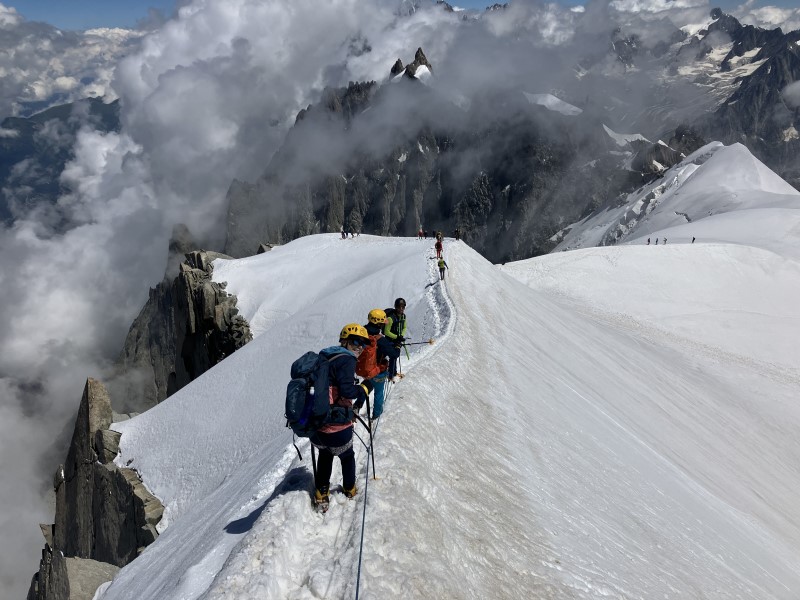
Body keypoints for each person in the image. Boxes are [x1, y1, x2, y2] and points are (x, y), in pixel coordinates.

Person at [310, 323, 373, 511]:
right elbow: (346, 391)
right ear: (344, 341)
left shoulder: (324, 356)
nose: (360, 347)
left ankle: (321, 492)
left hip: (317, 423)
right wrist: (363, 388)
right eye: (355, 342)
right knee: (347, 456)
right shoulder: (346, 359)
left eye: (363, 343)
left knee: (325, 454)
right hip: (337, 424)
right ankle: (349, 488)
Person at [356, 309, 391, 419]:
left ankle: (357, 406)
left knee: (367, 385)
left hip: (364, 369)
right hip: (378, 370)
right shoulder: (380, 339)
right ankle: (376, 415)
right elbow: (394, 354)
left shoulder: (361, 333)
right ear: (379, 323)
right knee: (379, 392)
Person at [383, 297, 408, 379]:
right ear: (396, 306)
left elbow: (404, 327)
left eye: (403, 307)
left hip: (397, 340)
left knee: (394, 356)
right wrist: (397, 337)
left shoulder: (403, 316)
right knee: (393, 356)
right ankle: (390, 375)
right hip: (389, 340)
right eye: (399, 306)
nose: (401, 308)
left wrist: (400, 336)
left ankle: (393, 372)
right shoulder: (390, 318)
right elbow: (386, 332)